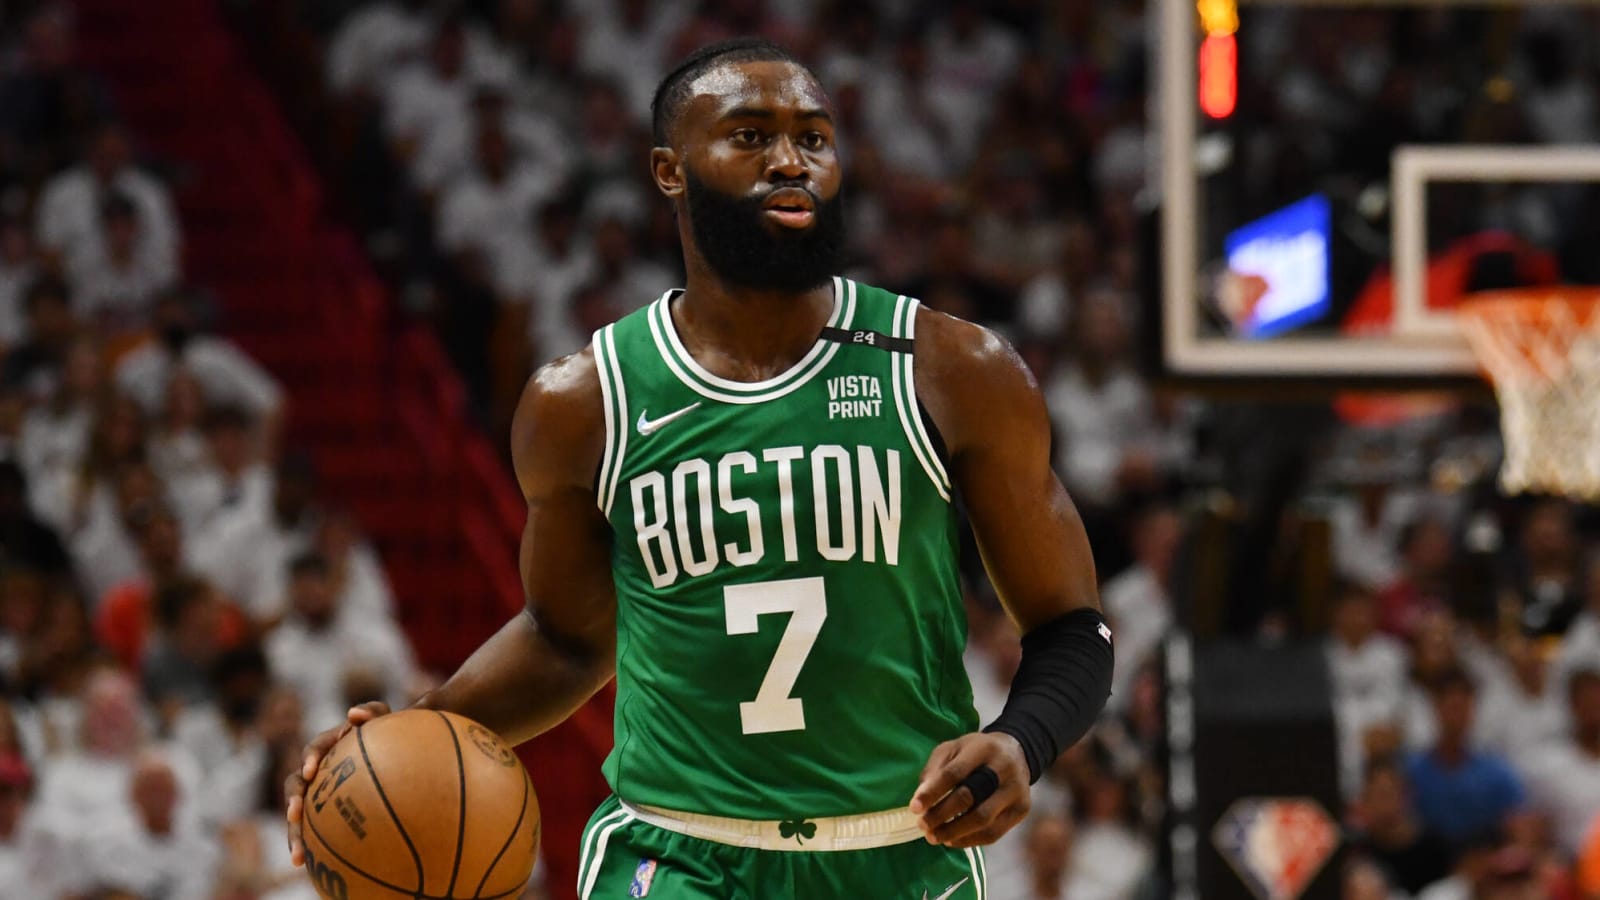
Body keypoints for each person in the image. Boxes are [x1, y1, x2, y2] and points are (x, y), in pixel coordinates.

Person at [286, 38, 1112, 899]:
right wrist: (414, 738)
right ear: (670, 172)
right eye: (750, 136)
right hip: (677, 854)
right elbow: (567, 637)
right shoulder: (583, 402)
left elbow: (1073, 627)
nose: (791, 159)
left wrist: (1023, 740)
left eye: (814, 138)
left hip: (902, 851)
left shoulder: (952, 369)